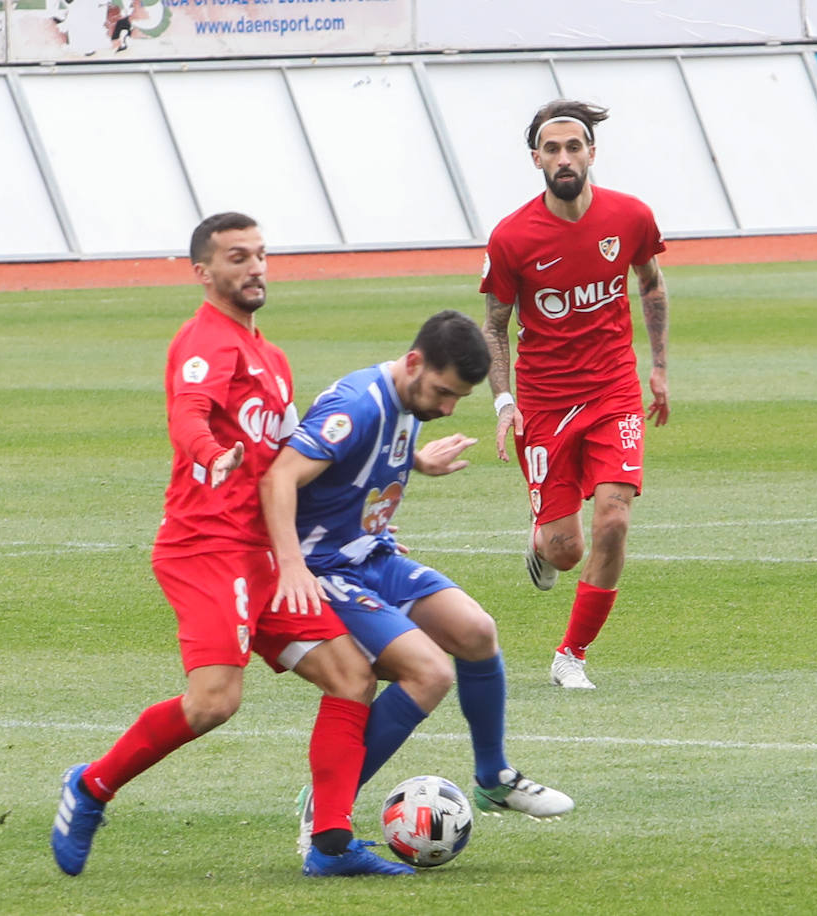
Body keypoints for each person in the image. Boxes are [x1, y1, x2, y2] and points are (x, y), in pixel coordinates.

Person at [50, 212, 413, 879]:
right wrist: (212, 454)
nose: (254, 268)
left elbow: (296, 457)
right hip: (205, 549)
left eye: (261, 255)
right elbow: (187, 413)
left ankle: (330, 844)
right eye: (237, 257)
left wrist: (408, 466)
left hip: (262, 554)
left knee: (351, 678)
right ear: (204, 272)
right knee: (215, 701)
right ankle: (90, 788)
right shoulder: (204, 343)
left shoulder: (271, 359)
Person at [260, 310, 573, 855]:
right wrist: (290, 564)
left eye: (457, 399)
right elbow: (280, 476)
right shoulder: (356, 406)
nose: (447, 407)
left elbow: (362, 463)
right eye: (443, 392)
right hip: (325, 568)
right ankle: (328, 802)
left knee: (477, 631)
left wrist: (416, 463)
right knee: (429, 673)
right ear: (413, 362)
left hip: (372, 553)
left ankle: (493, 779)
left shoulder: (408, 398)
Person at [480, 100, 671, 690]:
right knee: (566, 550)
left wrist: (658, 367)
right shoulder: (512, 237)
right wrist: (503, 402)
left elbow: (652, 285)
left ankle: (572, 654)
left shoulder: (630, 216)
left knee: (613, 519)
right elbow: (494, 324)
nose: (565, 157)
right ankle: (541, 539)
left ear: (592, 152)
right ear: (536, 158)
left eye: (574, 146)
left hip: (614, 388)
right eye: (553, 148)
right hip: (544, 401)